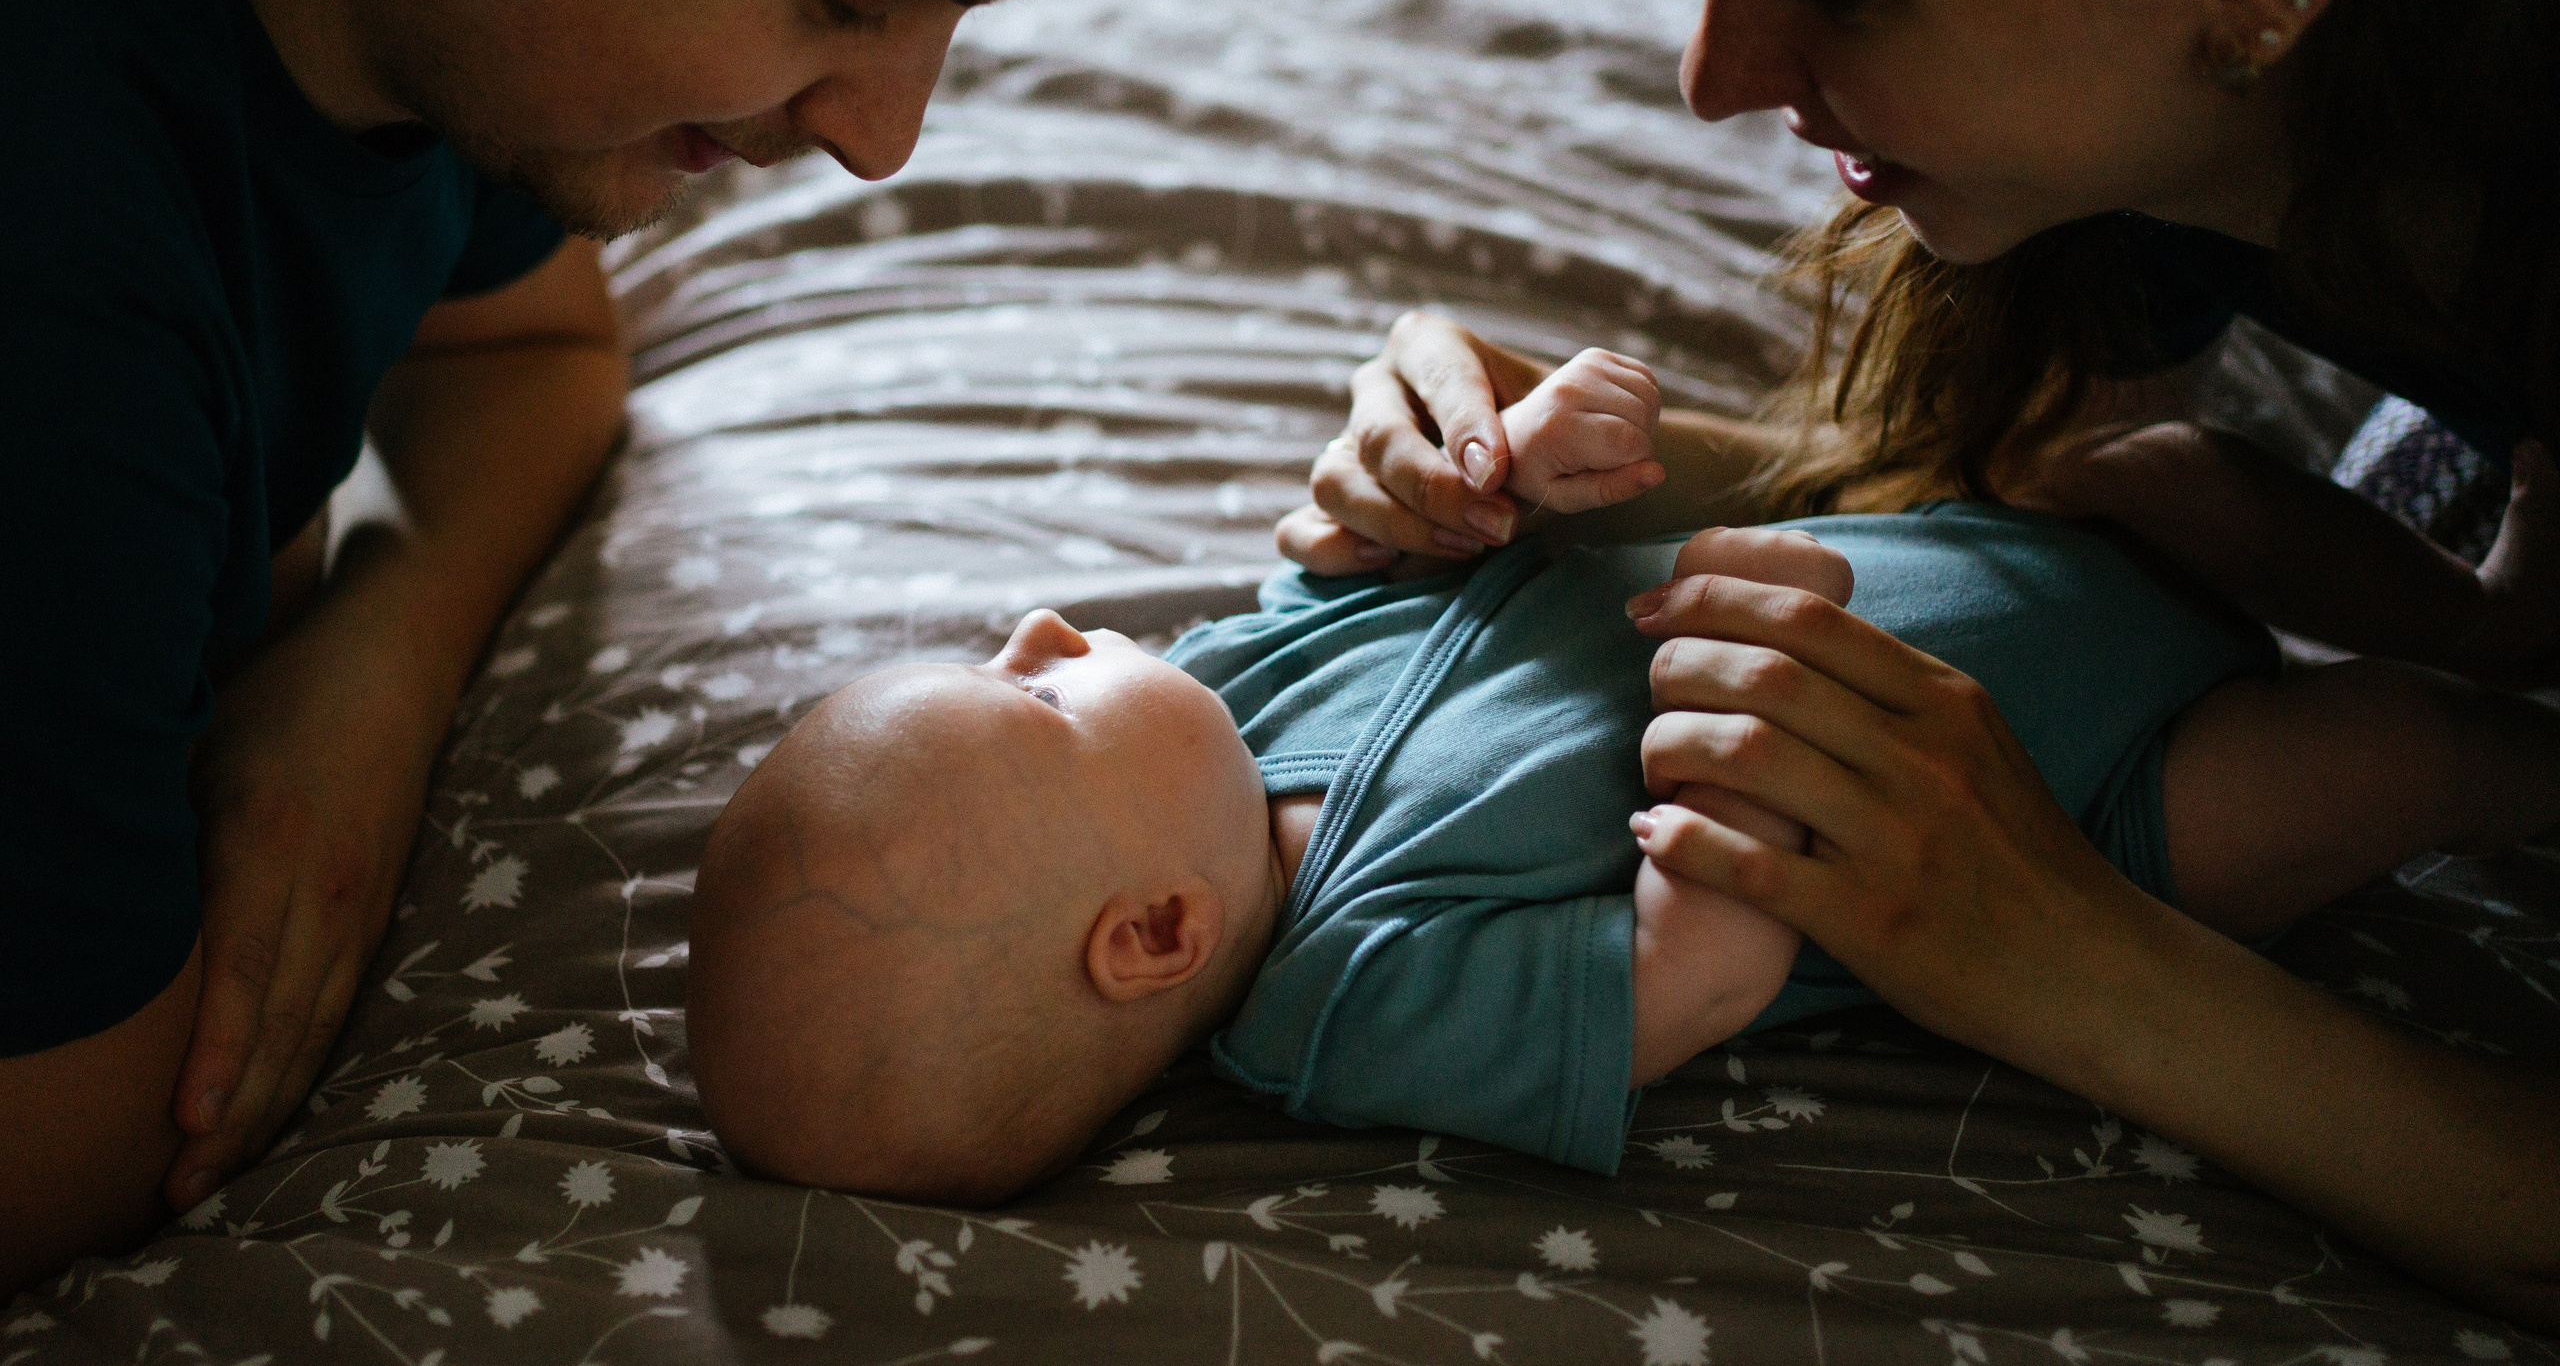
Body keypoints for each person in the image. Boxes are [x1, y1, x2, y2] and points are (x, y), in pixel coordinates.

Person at [1274, 0, 2560, 1329]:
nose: (1717, 73)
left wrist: (2057, 952)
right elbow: (1995, 489)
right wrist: (1537, 467)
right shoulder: (2157, 173)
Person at [0, 0, 1279, 1290]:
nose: (885, 135)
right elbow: (69, 1156)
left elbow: (528, 358)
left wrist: (377, 666)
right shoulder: (55, 257)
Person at [684, 358, 2560, 1203]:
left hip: (2006, 562)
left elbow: (1433, 540)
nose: (1038, 624)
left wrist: (1542, 443)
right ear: (1157, 934)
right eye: (1028, 704)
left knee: (2168, 467)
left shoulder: (1231, 679)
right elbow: (1702, 974)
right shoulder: (1355, 1003)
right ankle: (2508, 750)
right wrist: (1755, 683)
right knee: (2388, 756)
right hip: (2109, 811)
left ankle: (2494, 612)